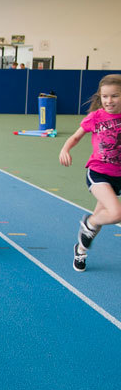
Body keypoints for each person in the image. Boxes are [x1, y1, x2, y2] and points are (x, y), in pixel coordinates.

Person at [59, 74, 121, 272]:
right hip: (98, 173)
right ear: (100, 97)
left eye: (115, 96)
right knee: (115, 213)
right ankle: (89, 221)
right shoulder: (96, 117)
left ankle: (81, 250)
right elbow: (76, 137)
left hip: (118, 176)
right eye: (105, 96)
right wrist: (65, 149)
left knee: (100, 219)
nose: (109, 101)